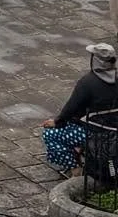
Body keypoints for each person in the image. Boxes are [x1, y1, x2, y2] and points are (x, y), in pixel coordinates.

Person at [43, 42, 118, 173]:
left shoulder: (88, 83)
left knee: (51, 134)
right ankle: (79, 149)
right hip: (114, 130)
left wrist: (57, 122)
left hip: (96, 133)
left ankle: (74, 168)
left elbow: (71, 108)